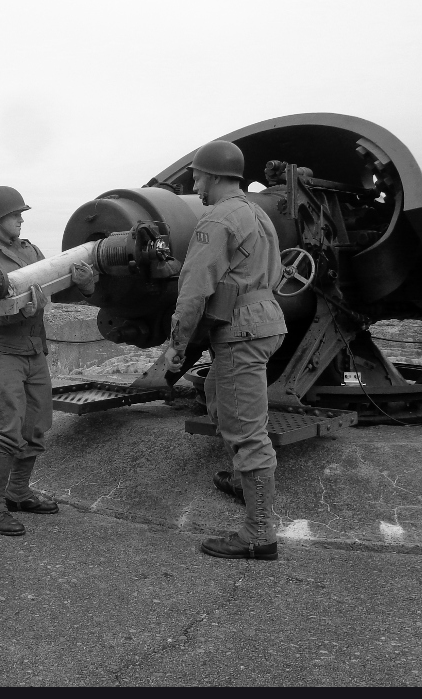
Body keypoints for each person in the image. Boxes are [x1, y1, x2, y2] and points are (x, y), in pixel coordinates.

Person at [165, 140, 287, 561]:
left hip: (240, 332)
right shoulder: (257, 213)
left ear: (213, 176)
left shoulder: (217, 219)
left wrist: (177, 348)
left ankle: (258, 534)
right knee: (219, 395)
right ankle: (243, 480)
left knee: (246, 430)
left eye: (197, 176)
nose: (194, 184)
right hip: (265, 321)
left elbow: (195, 289)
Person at [0, 186, 95, 537]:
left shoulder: (30, 250)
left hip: (34, 349)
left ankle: (18, 492)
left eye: (21, 214)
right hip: (1, 351)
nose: (21, 218)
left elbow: (53, 285)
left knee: (36, 425)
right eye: (15, 214)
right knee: (8, 428)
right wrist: (24, 309)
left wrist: (83, 285)